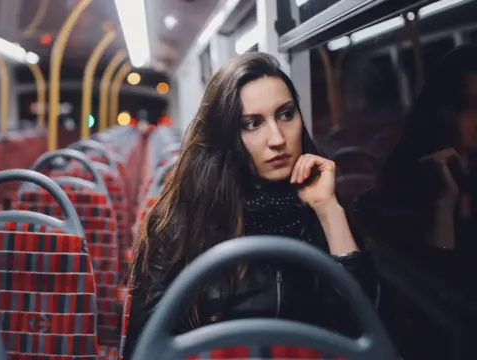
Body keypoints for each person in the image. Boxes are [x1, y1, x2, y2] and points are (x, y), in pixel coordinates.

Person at [123, 52, 377, 359]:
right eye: (252, 124)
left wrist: (328, 210)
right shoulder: (179, 224)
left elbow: (364, 331)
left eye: (285, 114)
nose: (277, 138)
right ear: (227, 136)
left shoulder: (324, 210)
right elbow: (148, 348)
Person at [357, 45, 477, 252]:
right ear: (443, 112)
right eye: (469, 105)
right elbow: (438, 276)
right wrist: (444, 209)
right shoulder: (389, 199)